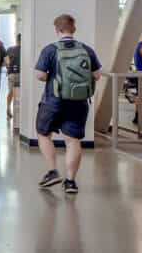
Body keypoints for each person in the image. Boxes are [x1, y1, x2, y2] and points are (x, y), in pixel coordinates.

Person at [34, 13, 102, 195]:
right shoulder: (86, 50)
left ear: (57, 30)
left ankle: (52, 171)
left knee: (43, 133)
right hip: (78, 102)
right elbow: (97, 75)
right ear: (74, 29)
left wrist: (54, 79)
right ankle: (70, 182)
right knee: (73, 141)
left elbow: (40, 75)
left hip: (53, 100)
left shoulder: (50, 50)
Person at [5, 33, 22, 120]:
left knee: (11, 92)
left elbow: (6, 61)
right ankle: (17, 112)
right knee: (18, 94)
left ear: (16, 40)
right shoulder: (24, 49)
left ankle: (8, 107)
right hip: (21, 73)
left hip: (11, 73)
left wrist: (8, 68)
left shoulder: (10, 49)